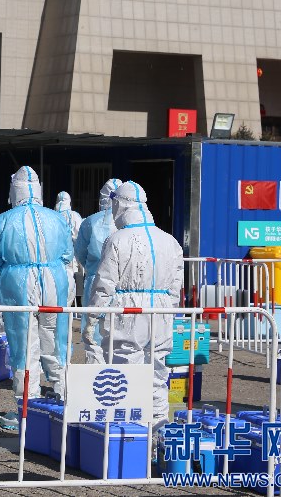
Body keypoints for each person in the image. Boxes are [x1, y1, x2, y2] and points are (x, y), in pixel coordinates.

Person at [90, 181, 182, 428]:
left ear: (119, 205)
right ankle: (158, 427)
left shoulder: (117, 239)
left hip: (128, 311)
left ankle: (132, 431)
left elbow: (104, 284)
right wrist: (169, 311)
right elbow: (176, 285)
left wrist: (93, 316)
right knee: (158, 371)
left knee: (125, 369)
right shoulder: (170, 241)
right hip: (161, 309)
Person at [0, 167, 73, 405]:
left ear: (14, 191)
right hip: (54, 281)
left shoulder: (2, 220)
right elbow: (67, 256)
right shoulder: (57, 219)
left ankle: (26, 404)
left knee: (23, 343)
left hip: (17, 284)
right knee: (55, 338)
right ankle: (64, 396)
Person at [75, 179, 122, 364]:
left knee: (93, 331)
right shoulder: (127, 223)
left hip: (95, 280)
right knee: (121, 332)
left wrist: (93, 268)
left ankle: (95, 373)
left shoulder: (90, 222)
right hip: (122, 284)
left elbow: (80, 252)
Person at [55, 191, 83, 306]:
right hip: (72, 257)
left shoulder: (52, 215)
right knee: (73, 282)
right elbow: (80, 236)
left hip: (55, 257)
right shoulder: (74, 216)